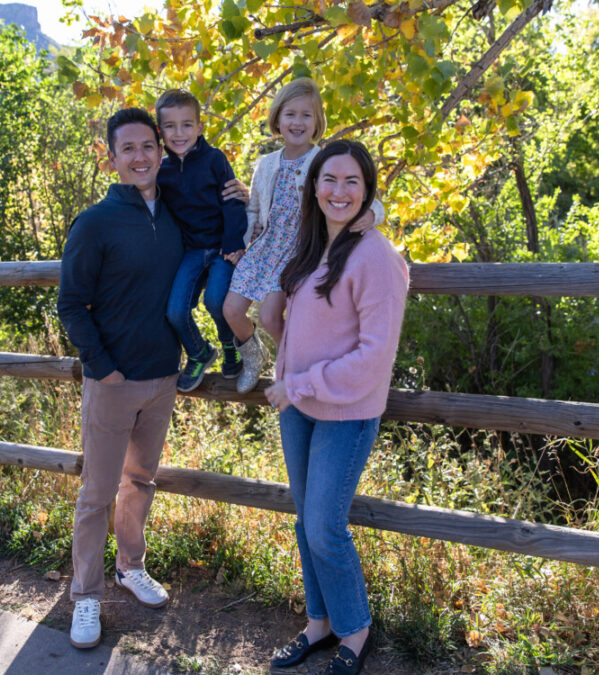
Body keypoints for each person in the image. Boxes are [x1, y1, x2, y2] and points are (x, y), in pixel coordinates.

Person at [264, 140, 408, 675]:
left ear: (368, 189)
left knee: (325, 525)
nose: (339, 191)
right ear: (314, 186)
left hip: (345, 410)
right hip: (298, 405)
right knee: (306, 522)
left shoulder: (378, 256)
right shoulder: (311, 244)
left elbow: (374, 357)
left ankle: (357, 629)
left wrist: (298, 383)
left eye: (352, 181)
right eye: (329, 179)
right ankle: (319, 623)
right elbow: (294, 322)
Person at [57, 107, 182, 650]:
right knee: (97, 492)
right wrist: (102, 367)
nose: (140, 156)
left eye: (147, 146)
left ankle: (131, 566)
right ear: (112, 159)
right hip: (112, 380)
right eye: (127, 148)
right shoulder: (95, 223)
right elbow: (71, 304)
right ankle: (85, 594)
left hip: (163, 376)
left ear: (161, 151)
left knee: (141, 481)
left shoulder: (177, 214)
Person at [222, 78, 385, 395]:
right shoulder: (266, 163)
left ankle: (292, 367)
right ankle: (255, 356)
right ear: (277, 119)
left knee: (270, 315)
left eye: (306, 115)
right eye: (290, 114)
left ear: (317, 122)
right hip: (266, 246)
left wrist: (371, 215)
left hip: (299, 248)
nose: (297, 122)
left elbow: (371, 201)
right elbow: (255, 210)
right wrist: (243, 244)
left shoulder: (323, 160)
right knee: (231, 309)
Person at [156, 89, 249, 392]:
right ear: (161, 131)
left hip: (222, 247)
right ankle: (199, 352)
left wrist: (234, 243)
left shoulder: (214, 160)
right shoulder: (162, 171)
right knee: (174, 311)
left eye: (186, 125)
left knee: (216, 301)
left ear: (199, 127)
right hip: (192, 251)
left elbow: (232, 202)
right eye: (170, 126)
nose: (179, 133)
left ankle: (230, 345)